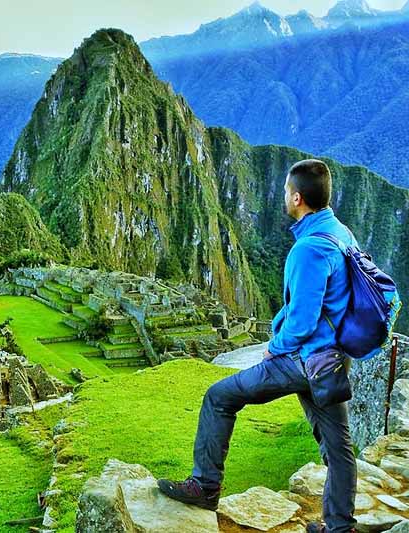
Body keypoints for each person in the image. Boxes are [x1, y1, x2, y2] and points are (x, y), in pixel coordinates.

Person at [157, 159, 358, 533]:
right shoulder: (340, 232)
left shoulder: (309, 249)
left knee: (219, 396)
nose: (283, 196)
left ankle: (204, 486)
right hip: (333, 360)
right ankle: (339, 526)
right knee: (338, 445)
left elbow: (302, 318)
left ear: (297, 198)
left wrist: (274, 348)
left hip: (303, 360)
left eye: (285, 191)